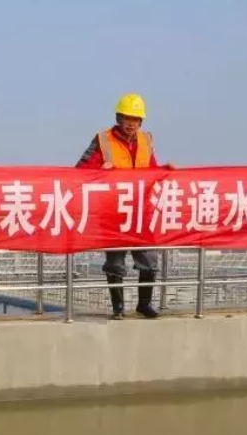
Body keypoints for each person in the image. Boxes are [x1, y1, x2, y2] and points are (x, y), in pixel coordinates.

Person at [77, 93, 173, 320]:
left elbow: (150, 170)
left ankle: (144, 304)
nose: (132, 123)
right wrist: (100, 169)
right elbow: (80, 170)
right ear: (119, 118)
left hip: (141, 210)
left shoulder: (146, 140)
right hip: (113, 211)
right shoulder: (103, 139)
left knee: (149, 259)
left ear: (141, 121)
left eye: (136, 119)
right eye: (128, 118)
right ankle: (118, 308)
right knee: (115, 261)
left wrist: (164, 170)